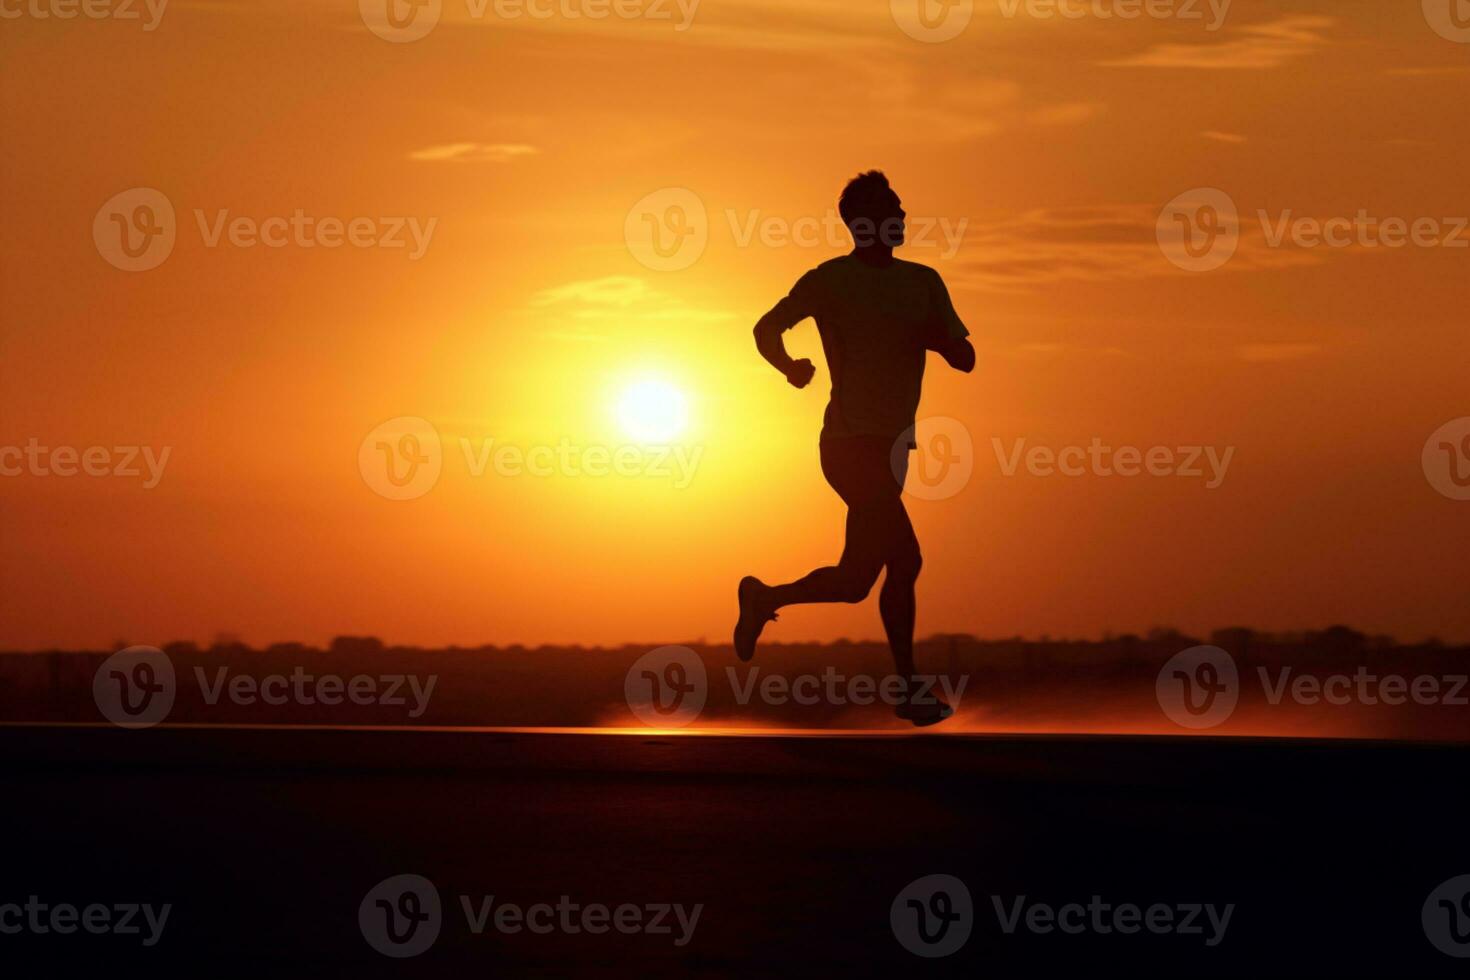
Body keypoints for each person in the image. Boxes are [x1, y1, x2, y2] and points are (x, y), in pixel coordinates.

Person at [734, 170, 975, 727]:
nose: (902, 215)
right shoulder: (829, 281)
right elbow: (766, 328)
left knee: (855, 581)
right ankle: (911, 691)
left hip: (892, 451)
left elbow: (965, 357)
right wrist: (790, 367)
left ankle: (765, 599)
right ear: (859, 222)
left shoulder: (924, 282)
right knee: (908, 558)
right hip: (847, 446)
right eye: (890, 208)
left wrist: (935, 339)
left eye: (900, 206)